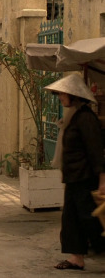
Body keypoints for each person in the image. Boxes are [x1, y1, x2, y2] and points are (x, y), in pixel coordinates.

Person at [44, 73, 105, 270]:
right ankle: (76, 258)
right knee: (71, 219)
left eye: (63, 94)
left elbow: (95, 151)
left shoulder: (86, 118)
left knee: (91, 219)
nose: (60, 97)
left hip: (86, 178)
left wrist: (103, 179)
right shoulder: (73, 117)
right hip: (73, 178)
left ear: (74, 96)